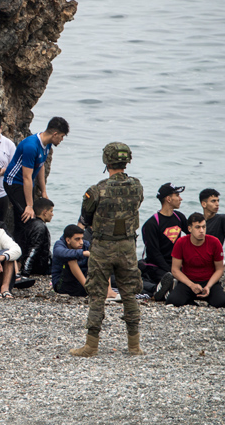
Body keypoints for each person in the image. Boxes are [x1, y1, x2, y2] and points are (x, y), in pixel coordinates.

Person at [70, 142, 145, 357]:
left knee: (97, 293)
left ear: (107, 161)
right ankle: (134, 346)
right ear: (127, 161)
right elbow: (136, 204)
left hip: (102, 247)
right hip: (128, 246)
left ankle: (91, 346)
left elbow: (86, 216)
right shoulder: (137, 186)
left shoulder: (96, 190)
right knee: (130, 293)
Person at [3, 116, 68, 246]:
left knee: (26, 218)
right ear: (55, 134)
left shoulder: (47, 144)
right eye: (61, 136)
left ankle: (21, 249)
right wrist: (29, 206)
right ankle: (19, 253)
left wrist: (43, 191)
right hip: (13, 182)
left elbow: (41, 165)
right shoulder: (31, 146)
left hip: (27, 183)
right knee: (26, 218)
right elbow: (26, 177)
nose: (61, 140)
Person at [165, 213, 225, 308]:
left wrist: (208, 286)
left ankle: (202, 297)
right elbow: (175, 269)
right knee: (173, 301)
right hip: (188, 282)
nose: (201, 231)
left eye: (203, 227)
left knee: (223, 303)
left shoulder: (214, 242)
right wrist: (191, 285)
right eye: (197, 227)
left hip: (209, 281)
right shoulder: (181, 243)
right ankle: (187, 298)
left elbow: (219, 269)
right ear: (190, 229)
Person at [140, 183, 187, 297]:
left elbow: (192, 236)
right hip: (157, 267)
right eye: (177, 195)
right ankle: (159, 289)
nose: (180, 199)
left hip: (176, 264)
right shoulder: (151, 224)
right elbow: (154, 253)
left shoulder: (179, 217)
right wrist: (171, 271)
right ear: (168, 199)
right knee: (172, 281)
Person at [51, 225, 90, 296]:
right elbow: (62, 253)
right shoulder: (59, 244)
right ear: (68, 240)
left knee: (100, 259)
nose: (81, 242)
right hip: (63, 285)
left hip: (81, 281)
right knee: (71, 259)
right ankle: (89, 289)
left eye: (82, 238)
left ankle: (108, 291)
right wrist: (83, 253)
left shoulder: (86, 245)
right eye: (77, 239)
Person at [19, 197, 54, 277]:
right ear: (45, 212)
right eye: (51, 211)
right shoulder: (40, 227)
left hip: (34, 265)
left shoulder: (30, 223)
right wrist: (25, 272)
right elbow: (33, 250)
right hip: (39, 268)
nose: (52, 214)